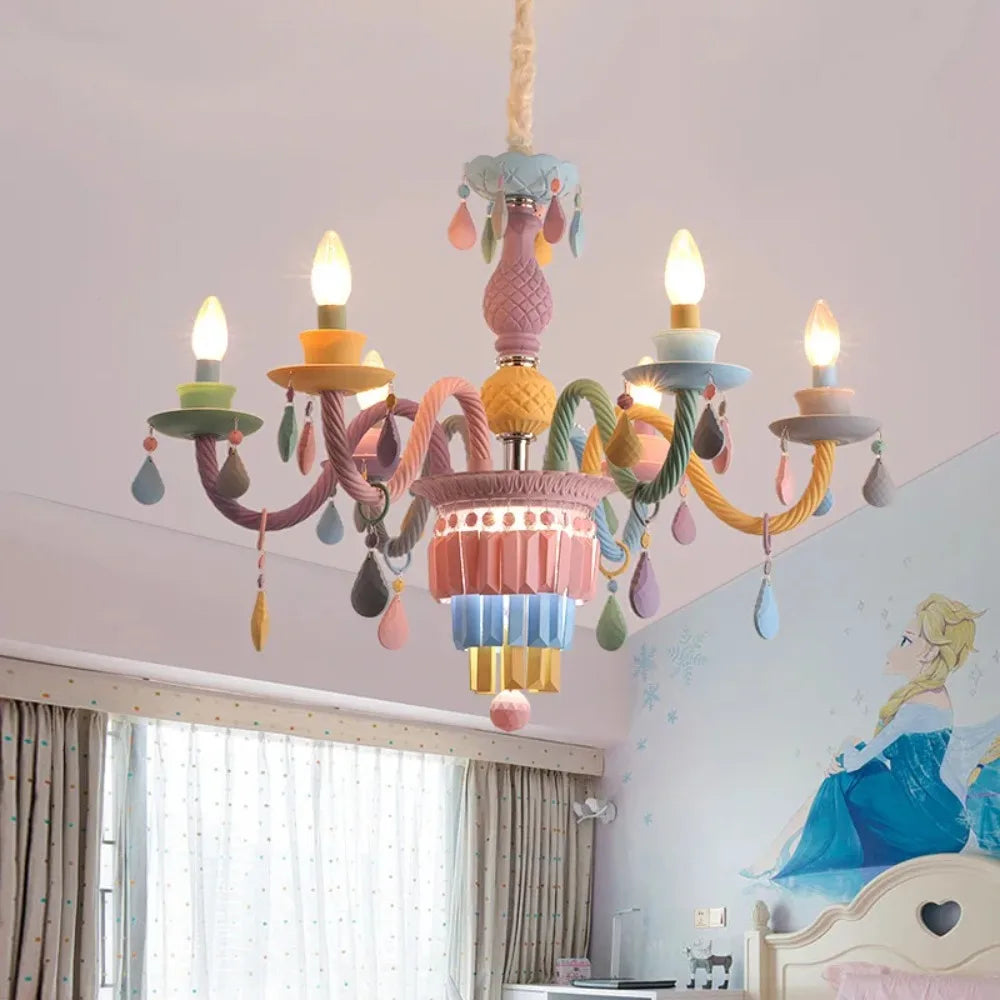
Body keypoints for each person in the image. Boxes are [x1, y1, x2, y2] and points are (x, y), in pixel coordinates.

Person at [743, 595, 982, 880]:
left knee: (842, 777)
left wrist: (842, 757)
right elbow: (876, 754)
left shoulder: (919, 705)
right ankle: (779, 850)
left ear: (929, 652)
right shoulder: (931, 696)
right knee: (848, 761)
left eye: (906, 640)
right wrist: (846, 750)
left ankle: (777, 851)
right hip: (941, 820)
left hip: (930, 824)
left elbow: (859, 761)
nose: (895, 649)